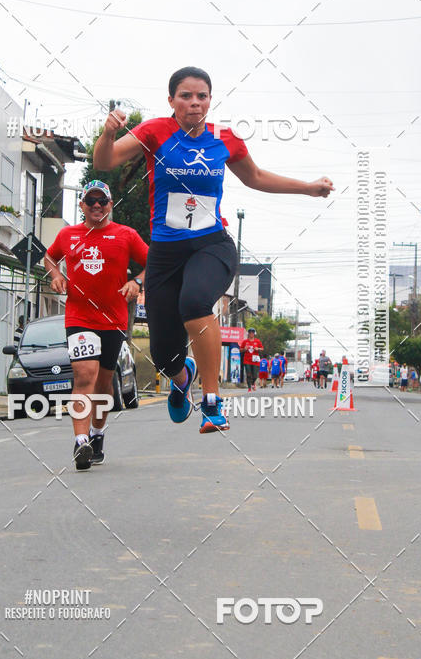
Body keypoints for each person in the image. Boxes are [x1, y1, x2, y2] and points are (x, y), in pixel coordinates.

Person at [93, 66, 334, 433]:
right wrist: (108, 134)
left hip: (212, 245)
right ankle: (181, 376)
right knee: (163, 354)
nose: (194, 103)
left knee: (194, 304)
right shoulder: (155, 131)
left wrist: (308, 187)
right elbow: (104, 162)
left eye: (201, 96)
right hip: (165, 252)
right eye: (185, 96)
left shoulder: (225, 138)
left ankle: (211, 402)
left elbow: (255, 177)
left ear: (210, 100)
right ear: (171, 100)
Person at [44, 180, 148, 469]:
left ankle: (97, 433)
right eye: (91, 201)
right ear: (82, 206)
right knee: (84, 376)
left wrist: (136, 281)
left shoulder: (126, 235)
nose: (97, 206)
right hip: (79, 317)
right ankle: (80, 443)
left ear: (110, 205)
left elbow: (152, 262)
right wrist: (56, 275)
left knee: (103, 386)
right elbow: (49, 257)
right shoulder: (68, 235)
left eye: (102, 201)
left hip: (113, 319)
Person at [240, 328, 263, 392]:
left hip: (255, 360)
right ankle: (249, 388)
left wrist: (257, 348)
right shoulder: (245, 341)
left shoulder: (257, 341)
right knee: (248, 374)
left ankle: (253, 383)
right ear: (248, 334)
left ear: (254, 334)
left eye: (252, 333)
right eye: (250, 333)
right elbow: (240, 349)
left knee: (255, 375)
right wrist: (244, 349)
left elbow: (262, 348)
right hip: (247, 360)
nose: (251, 334)